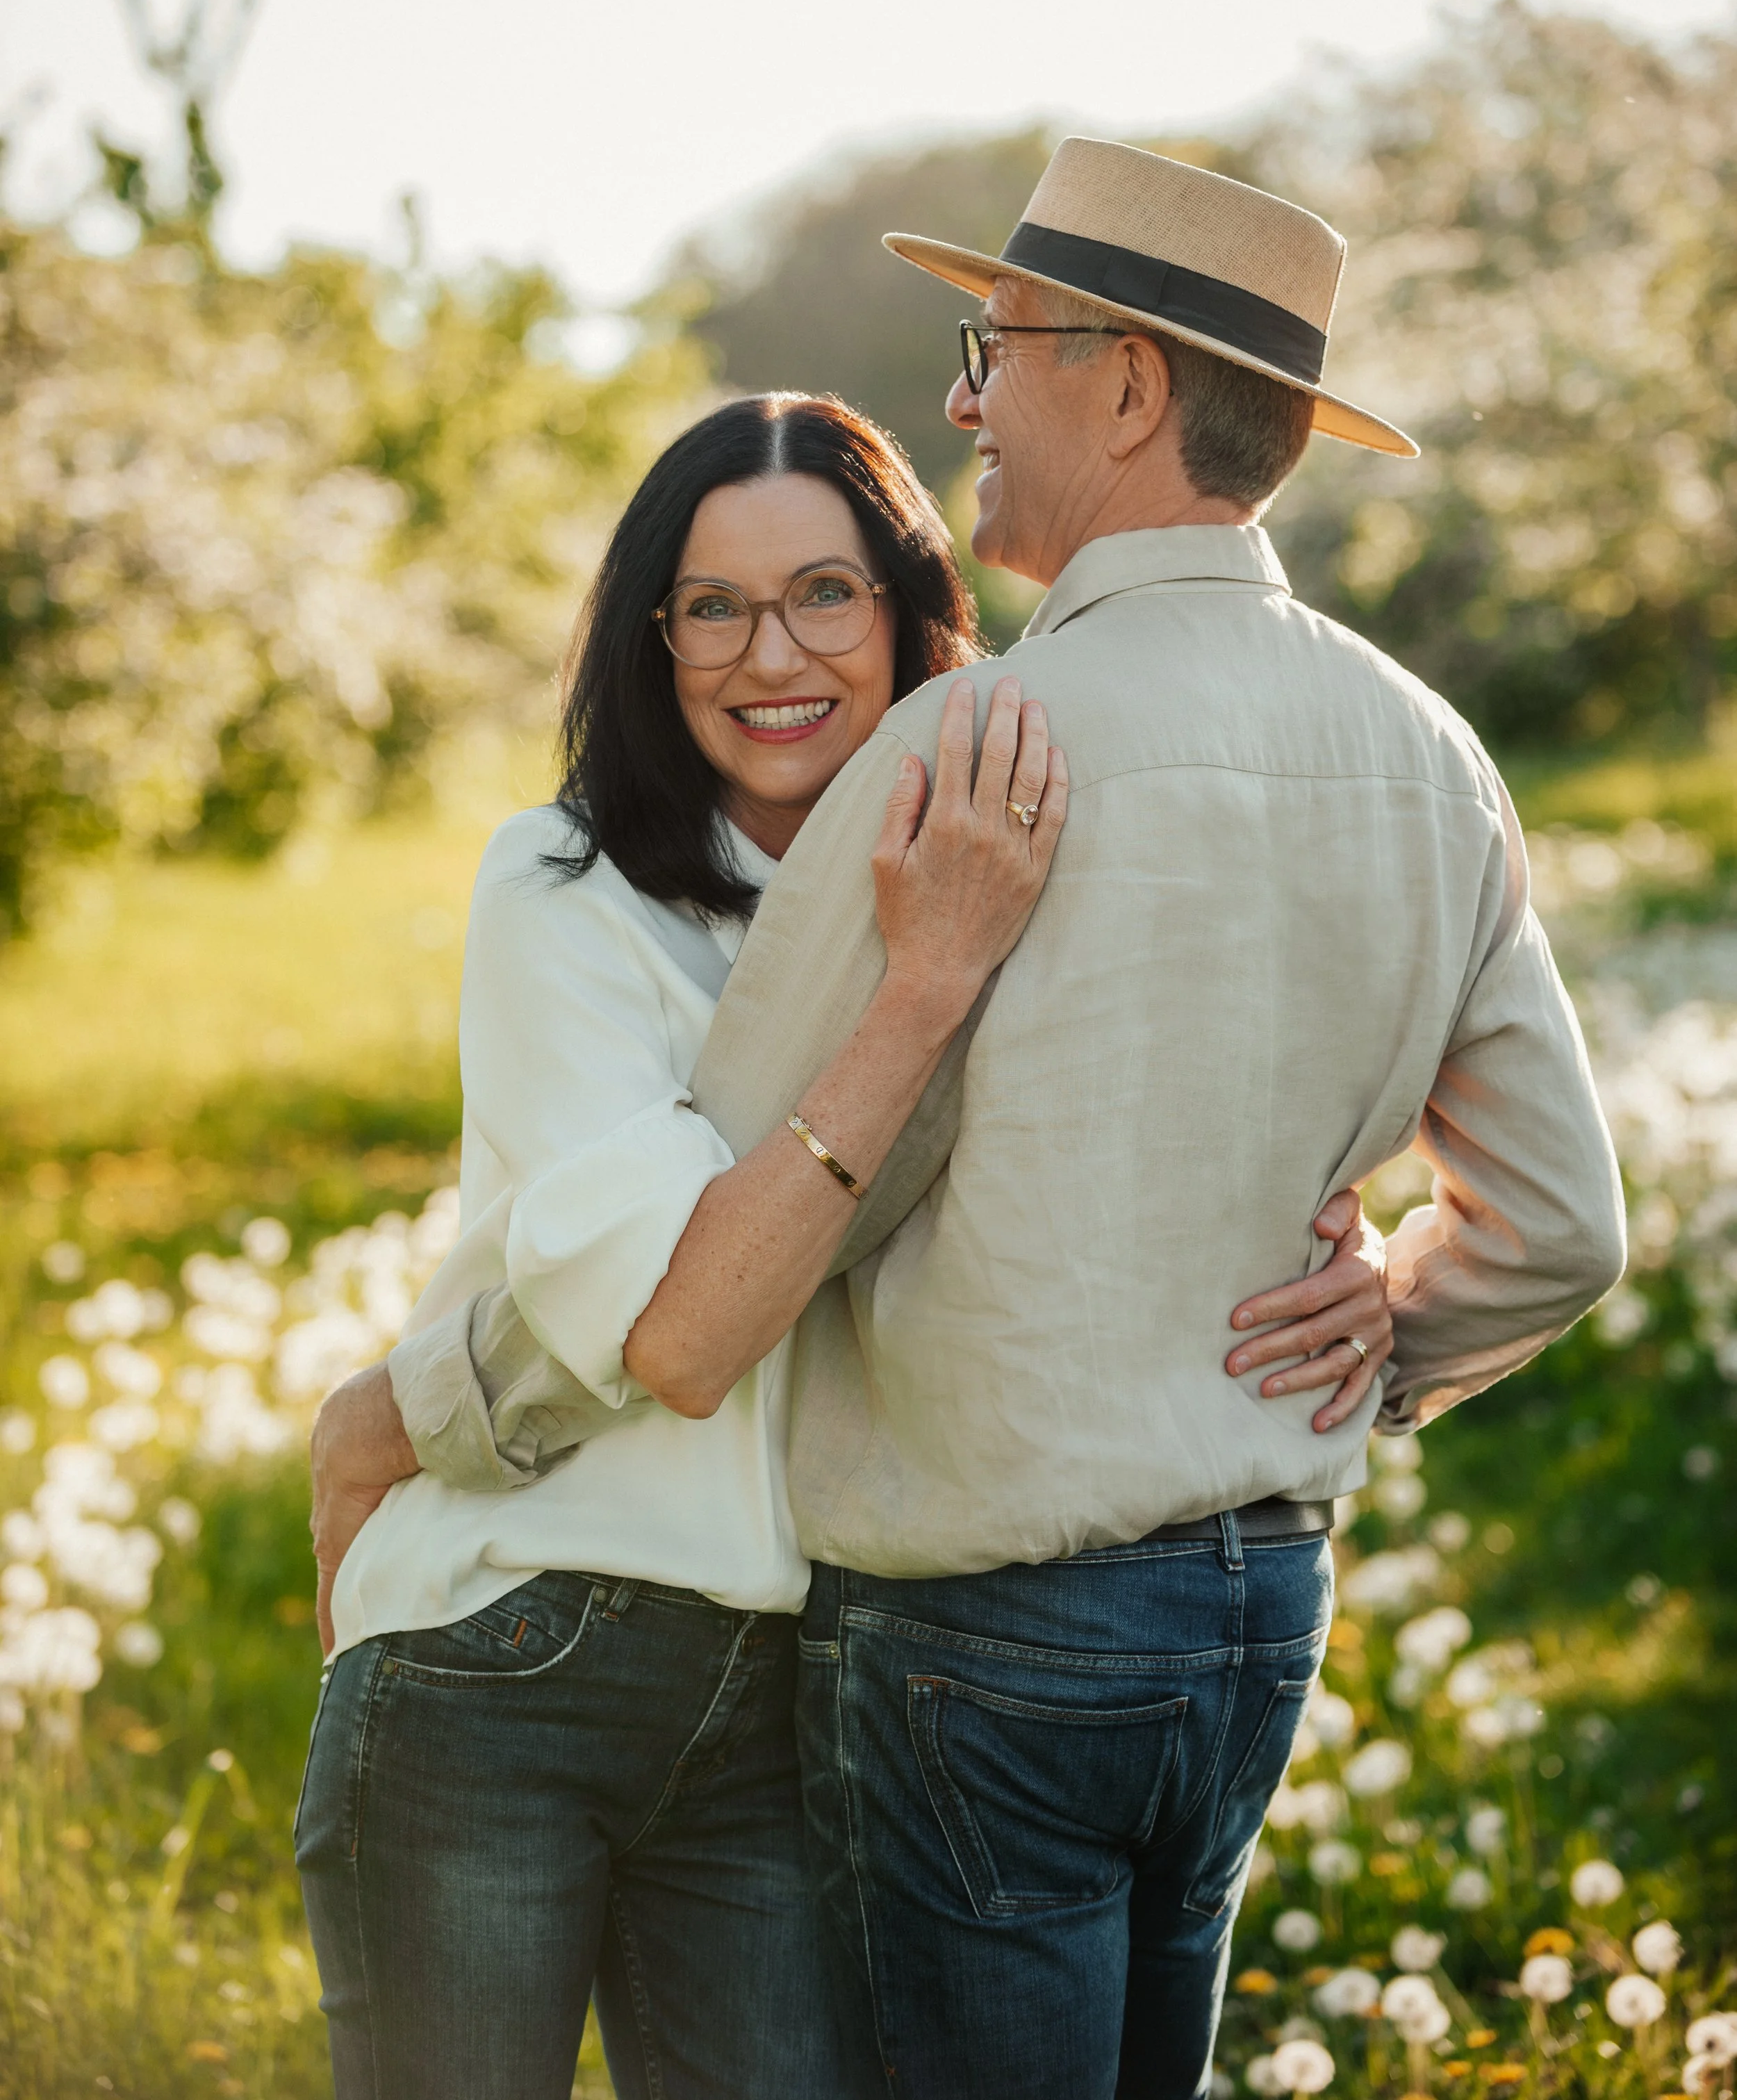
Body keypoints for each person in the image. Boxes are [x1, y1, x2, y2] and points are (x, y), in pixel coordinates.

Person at [367, 142, 1627, 2099]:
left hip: (990, 1641)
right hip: (1262, 1602)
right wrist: (1383, 1328)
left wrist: (426, 1408)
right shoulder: (1429, 752)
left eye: (998, 350)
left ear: (1122, 388)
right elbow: (1558, 1231)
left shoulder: (967, 754)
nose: (963, 402)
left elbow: (728, 1255)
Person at [300, 387, 1392, 2100]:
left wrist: (1364, 1265)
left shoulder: (1006, 857)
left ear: (905, 611)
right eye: (710, 608)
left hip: (798, 1693)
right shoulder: (567, 893)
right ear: (652, 640)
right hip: (512, 1653)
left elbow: (1137, 1149)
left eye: (823, 593)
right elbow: (677, 1335)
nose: (769, 655)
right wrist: (924, 982)